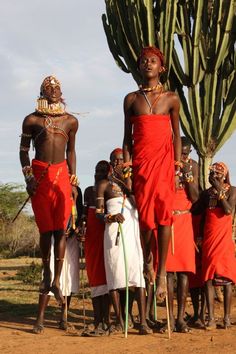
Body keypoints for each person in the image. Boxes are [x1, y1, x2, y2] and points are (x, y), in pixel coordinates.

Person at [123, 46, 181, 298]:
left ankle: (161, 272)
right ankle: (148, 259)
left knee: (164, 216)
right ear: (138, 66)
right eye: (144, 60)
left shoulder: (171, 98)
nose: (148, 63)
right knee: (146, 220)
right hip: (142, 166)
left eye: (153, 60)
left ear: (162, 67)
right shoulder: (131, 99)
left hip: (165, 164)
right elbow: (127, 139)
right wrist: (127, 169)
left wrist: (177, 168)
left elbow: (176, 136)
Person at [19, 76, 78, 305]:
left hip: (62, 174)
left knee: (60, 231)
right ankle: (46, 272)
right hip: (40, 173)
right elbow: (24, 151)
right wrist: (28, 177)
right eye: (48, 87)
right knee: (46, 229)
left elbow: (71, 152)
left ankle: (57, 279)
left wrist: (73, 180)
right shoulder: (32, 120)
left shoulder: (70, 121)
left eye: (57, 87)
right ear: (42, 92)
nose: (53, 90)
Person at [96, 148, 152, 335]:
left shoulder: (133, 183)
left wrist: (127, 184)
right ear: (112, 163)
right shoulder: (104, 185)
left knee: (137, 278)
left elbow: (139, 205)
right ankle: (120, 321)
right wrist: (110, 218)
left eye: (122, 160)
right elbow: (98, 214)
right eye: (117, 161)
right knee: (115, 276)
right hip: (114, 234)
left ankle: (143, 322)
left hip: (133, 233)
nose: (120, 163)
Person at [159, 137, 198, 333]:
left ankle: (181, 318)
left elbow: (196, 196)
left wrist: (186, 174)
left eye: (186, 153)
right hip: (168, 220)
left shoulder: (192, 166)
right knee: (169, 272)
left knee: (183, 271)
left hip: (184, 220)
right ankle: (169, 318)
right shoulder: (166, 163)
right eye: (180, 152)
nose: (183, 156)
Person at [193, 162, 236, 329]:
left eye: (219, 174)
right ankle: (210, 318)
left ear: (225, 175)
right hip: (210, 239)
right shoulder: (206, 194)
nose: (215, 176)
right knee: (209, 277)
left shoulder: (232, 191)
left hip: (224, 239)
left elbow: (227, 210)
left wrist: (219, 190)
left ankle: (226, 318)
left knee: (227, 278)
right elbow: (197, 212)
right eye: (213, 174)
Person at [82, 160, 111, 336]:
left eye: (102, 170)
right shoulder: (88, 191)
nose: (98, 173)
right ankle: (96, 319)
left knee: (106, 278)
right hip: (91, 239)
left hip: (105, 237)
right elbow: (84, 215)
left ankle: (106, 320)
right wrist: (81, 226)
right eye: (96, 170)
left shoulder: (108, 190)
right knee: (94, 277)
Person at [33, 234, 80, 334]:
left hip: (72, 241)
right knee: (49, 275)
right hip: (55, 238)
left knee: (69, 277)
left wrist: (78, 230)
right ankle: (40, 318)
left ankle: (64, 317)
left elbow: (81, 219)